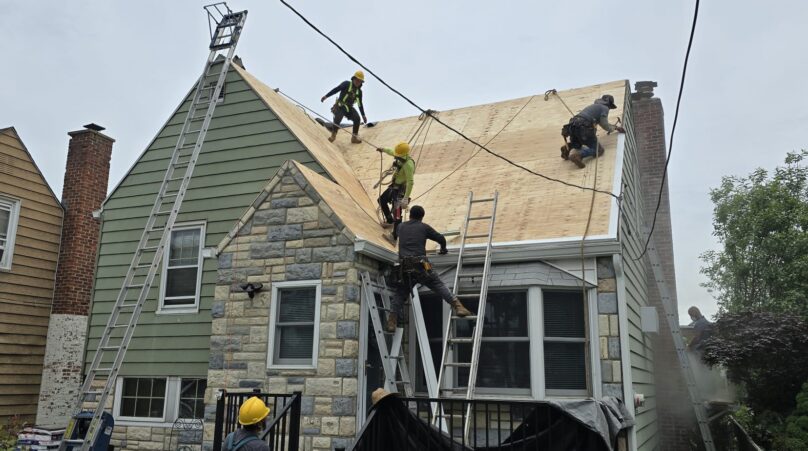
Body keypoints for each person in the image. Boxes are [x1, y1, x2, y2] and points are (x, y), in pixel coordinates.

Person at [386, 205, 472, 332]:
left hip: (405, 268)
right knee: (437, 284)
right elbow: (441, 238)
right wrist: (443, 248)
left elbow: (395, 234)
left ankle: (391, 322)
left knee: (400, 293)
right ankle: (458, 306)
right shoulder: (423, 227)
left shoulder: (401, 227)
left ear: (410, 215)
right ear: (421, 217)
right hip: (421, 265)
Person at [561, 94, 626, 168]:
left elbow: (596, 123)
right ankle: (578, 155)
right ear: (609, 104)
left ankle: (568, 148)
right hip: (583, 127)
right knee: (599, 150)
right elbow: (604, 124)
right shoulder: (605, 108)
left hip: (572, 126)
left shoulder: (593, 107)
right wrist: (616, 128)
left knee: (579, 144)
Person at [376, 142, 415, 238]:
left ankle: (395, 236)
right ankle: (390, 221)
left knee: (397, 213)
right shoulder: (399, 155)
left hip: (401, 190)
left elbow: (410, 182)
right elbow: (391, 151)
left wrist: (405, 198)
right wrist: (383, 149)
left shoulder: (408, 165)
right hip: (394, 187)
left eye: (397, 155)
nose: (395, 156)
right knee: (381, 200)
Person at [321, 70, 368, 144]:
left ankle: (354, 138)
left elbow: (360, 104)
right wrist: (326, 96)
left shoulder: (359, 92)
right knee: (338, 116)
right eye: (357, 80)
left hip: (349, 108)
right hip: (340, 105)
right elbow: (336, 89)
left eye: (360, 81)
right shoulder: (346, 84)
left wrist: (363, 115)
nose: (358, 82)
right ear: (353, 79)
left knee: (357, 118)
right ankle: (333, 135)